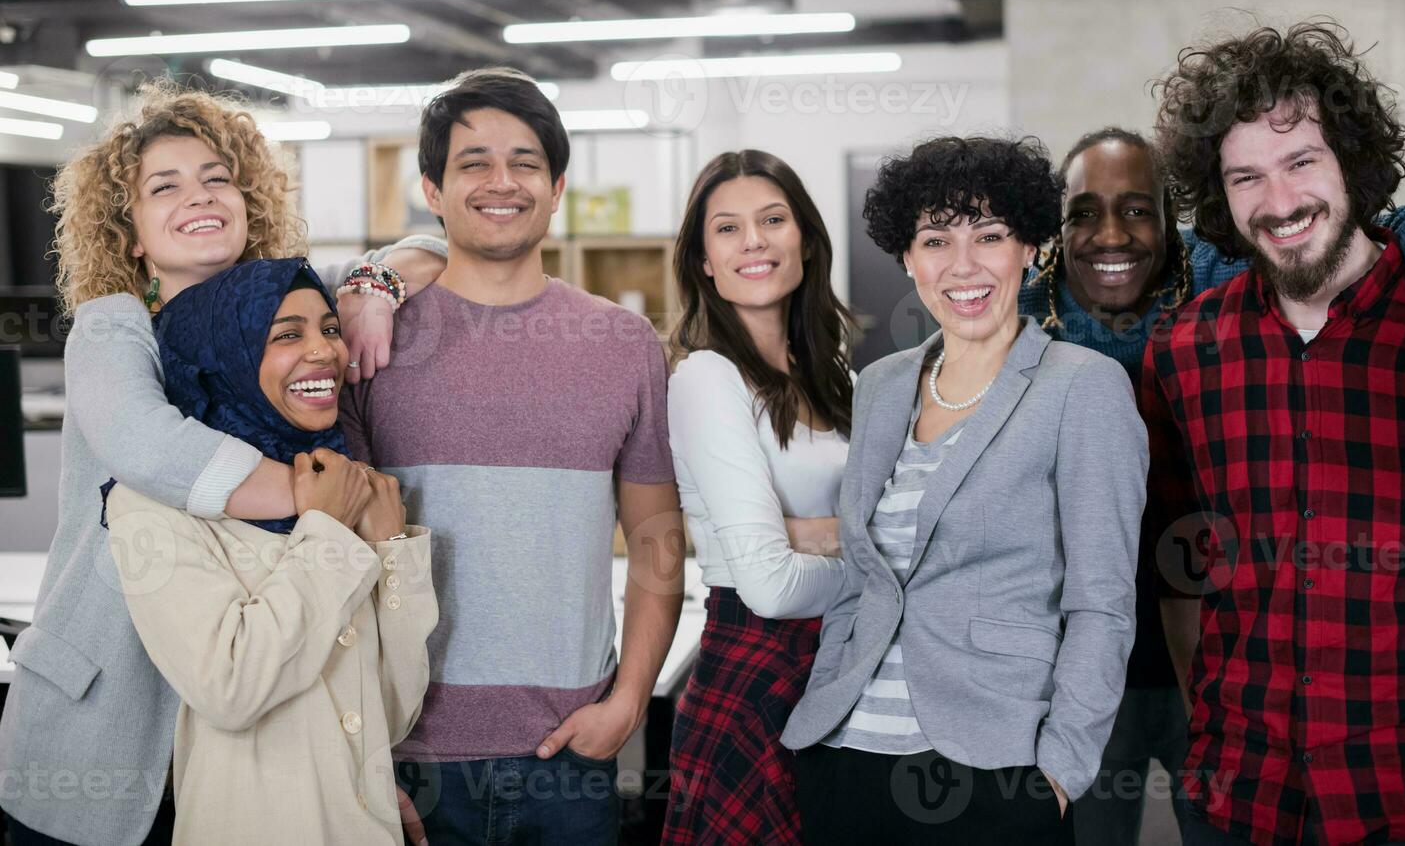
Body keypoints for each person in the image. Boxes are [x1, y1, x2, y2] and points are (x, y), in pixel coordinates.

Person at [0, 82, 443, 846]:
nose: (197, 197)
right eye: (163, 187)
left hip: (250, 730)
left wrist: (371, 289)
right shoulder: (115, 329)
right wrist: (325, 500)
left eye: (216, 178)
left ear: (249, 203)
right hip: (108, 715)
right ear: (130, 232)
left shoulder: (281, 304)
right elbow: (148, 446)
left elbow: (433, 248)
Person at [1021, 127, 1405, 846]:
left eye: (1138, 210)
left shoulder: (1213, 276)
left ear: (1176, 218)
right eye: (1084, 212)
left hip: (1217, 660)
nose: (1112, 234)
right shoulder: (1016, 325)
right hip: (1073, 664)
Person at [340, 66, 685, 846]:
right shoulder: (373, 342)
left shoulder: (624, 344)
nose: (503, 183)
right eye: (474, 164)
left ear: (558, 185)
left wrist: (630, 700)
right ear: (431, 189)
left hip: (568, 752)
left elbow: (659, 535)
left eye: (525, 163)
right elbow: (337, 558)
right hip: (406, 756)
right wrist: (357, 750)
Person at [1144, 21, 1405, 845]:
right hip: (1240, 799)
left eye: (1302, 162)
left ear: (1351, 166)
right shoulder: (1182, 353)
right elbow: (1179, 567)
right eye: (1246, 176)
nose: (1280, 203)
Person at [781, 134, 1147, 844]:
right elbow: (862, 578)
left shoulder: (1085, 387)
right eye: (936, 239)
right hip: (845, 757)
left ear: (1031, 248)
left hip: (994, 769)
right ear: (908, 259)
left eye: (990, 234)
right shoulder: (883, 385)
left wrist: (1061, 772)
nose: (963, 263)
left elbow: (1102, 603)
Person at [104, 257, 436, 845]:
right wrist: (329, 532)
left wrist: (391, 550)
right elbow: (231, 690)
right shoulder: (151, 507)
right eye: (286, 334)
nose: (324, 351)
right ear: (221, 358)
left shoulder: (341, 478)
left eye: (330, 329)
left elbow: (390, 709)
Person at [661, 150, 855, 845]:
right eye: (727, 228)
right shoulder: (708, 379)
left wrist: (812, 531)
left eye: (773, 219)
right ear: (704, 261)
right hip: (755, 675)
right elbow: (769, 587)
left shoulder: (835, 375)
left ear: (804, 237)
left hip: (837, 671)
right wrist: (868, 552)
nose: (754, 241)